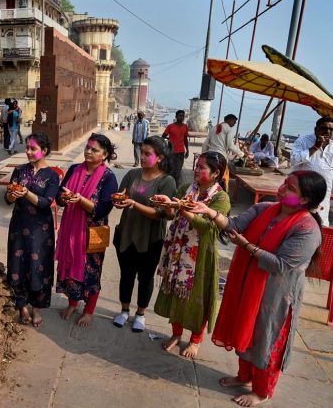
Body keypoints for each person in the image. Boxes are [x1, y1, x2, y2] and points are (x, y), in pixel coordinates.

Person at [190, 170, 326, 407]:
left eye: (291, 188)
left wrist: (246, 246)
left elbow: (282, 264)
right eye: (284, 183)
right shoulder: (265, 209)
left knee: (266, 340)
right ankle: (244, 377)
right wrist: (210, 212)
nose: (282, 188)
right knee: (244, 329)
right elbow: (233, 225)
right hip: (247, 283)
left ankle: (262, 391)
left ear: (304, 200)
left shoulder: (308, 228)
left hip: (277, 294)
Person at [153, 151, 231, 358]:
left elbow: (209, 227)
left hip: (200, 256)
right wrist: (167, 204)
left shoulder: (221, 198)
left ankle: (195, 340)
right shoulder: (188, 188)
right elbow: (170, 213)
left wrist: (184, 209)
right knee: (175, 292)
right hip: (178, 250)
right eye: (196, 166)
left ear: (215, 173)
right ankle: (176, 334)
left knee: (197, 298)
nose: (196, 170)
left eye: (201, 168)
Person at [112, 136, 177, 332]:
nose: (142, 156)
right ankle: (124, 310)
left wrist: (133, 203)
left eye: (148, 154)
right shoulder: (132, 175)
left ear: (159, 158)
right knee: (126, 274)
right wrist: (118, 201)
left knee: (146, 277)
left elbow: (161, 215)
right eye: (142, 152)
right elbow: (120, 195)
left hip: (150, 238)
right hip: (127, 232)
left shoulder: (166, 181)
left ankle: (140, 313)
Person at [55, 133, 118, 327]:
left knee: (91, 272)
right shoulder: (75, 169)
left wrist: (80, 200)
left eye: (95, 150)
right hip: (70, 229)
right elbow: (59, 197)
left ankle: (89, 310)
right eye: (87, 148)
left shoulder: (108, 177)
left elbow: (102, 209)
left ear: (105, 154)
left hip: (92, 234)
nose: (88, 152)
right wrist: (64, 199)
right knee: (69, 265)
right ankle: (72, 302)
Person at [5, 132, 60, 328]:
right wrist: (12, 195)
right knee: (17, 264)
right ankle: (22, 307)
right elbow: (8, 199)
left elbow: (46, 203)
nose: (28, 152)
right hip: (19, 226)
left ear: (44, 151)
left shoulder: (53, 175)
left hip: (41, 230)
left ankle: (36, 308)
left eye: (33, 149)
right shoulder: (19, 171)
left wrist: (26, 192)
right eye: (27, 148)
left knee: (39, 267)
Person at [291, 117, 333, 226]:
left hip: (323, 194)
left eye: (331, 129)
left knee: (320, 225)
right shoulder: (303, 141)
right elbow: (294, 160)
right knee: (296, 224)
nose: (328, 132)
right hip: (301, 191)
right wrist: (315, 146)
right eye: (324, 128)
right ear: (316, 129)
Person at [203, 114, 244, 190]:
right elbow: (230, 145)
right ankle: (221, 194)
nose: (234, 124)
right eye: (234, 122)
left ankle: (207, 191)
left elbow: (205, 144)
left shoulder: (213, 128)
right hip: (221, 157)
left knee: (210, 175)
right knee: (222, 178)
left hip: (210, 156)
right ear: (229, 120)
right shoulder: (229, 129)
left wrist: (204, 155)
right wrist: (241, 154)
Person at [162, 109, 190, 184]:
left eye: (183, 116)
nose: (181, 117)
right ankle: (168, 184)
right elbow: (163, 136)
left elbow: (185, 139)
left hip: (181, 152)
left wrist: (187, 150)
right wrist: (169, 140)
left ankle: (176, 186)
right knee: (171, 170)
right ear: (176, 116)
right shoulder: (170, 126)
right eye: (180, 116)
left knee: (178, 171)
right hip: (171, 152)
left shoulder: (185, 127)